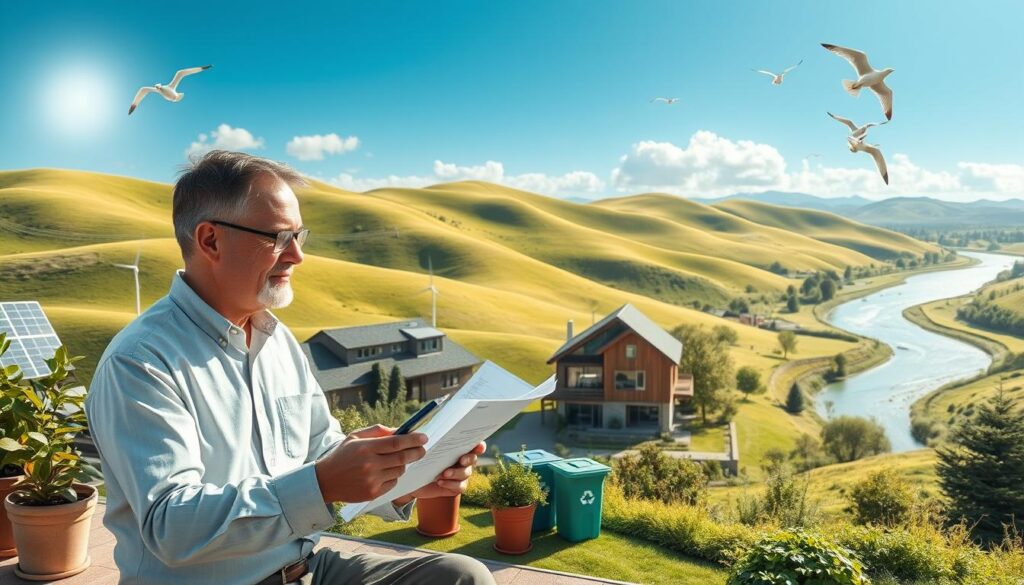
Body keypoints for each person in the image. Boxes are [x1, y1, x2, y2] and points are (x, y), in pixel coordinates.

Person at [85, 150, 495, 585]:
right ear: (210, 241)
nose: (297, 255)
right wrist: (322, 483)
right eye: (279, 237)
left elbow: (320, 453)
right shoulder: (141, 363)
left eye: (299, 236)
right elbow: (171, 526)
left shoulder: (277, 341)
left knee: (462, 576)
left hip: (307, 569)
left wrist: (405, 476)